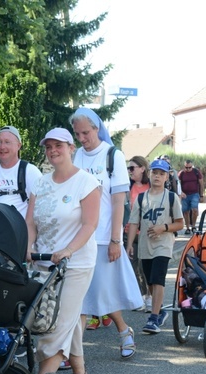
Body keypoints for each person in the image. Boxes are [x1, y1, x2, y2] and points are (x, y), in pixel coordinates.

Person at [26, 128, 100, 374]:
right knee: (66, 317)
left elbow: (90, 224)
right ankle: (79, 372)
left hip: (76, 263)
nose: (53, 150)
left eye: (58, 145)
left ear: (71, 148)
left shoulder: (86, 182)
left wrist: (68, 249)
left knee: (56, 322)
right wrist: (28, 247)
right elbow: (31, 222)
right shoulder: (40, 183)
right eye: (48, 147)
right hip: (43, 263)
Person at [70, 108, 143, 359]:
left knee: (102, 293)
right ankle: (73, 353)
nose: (82, 138)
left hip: (102, 236)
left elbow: (117, 202)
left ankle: (124, 331)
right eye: (77, 133)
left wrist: (116, 240)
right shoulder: (76, 156)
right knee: (77, 297)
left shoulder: (113, 156)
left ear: (97, 128)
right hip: (77, 237)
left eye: (86, 132)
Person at [126, 159, 184, 334]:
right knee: (150, 279)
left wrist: (163, 228)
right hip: (145, 245)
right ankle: (161, 311)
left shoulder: (171, 197)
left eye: (161, 173)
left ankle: (153, 318)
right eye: (154, 173)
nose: (157, 176)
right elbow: (134, 223)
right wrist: (129, 245)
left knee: (158, 278)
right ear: (149, 174)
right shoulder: (142, 198)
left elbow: (180, 224)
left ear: (167, 177)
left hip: (164, 245)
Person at [0, 126, 42, 218]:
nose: (2, 147)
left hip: (20, 231)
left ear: (19, 145)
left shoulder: (30, 171)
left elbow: (41, 207)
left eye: (7, 142)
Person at [126, 156, 151, 312]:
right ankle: (140, 296)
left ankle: (150, 297)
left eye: (132, 168)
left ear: (142, 168)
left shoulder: (151, 186)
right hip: (129, 231)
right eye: (128, 169)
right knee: (132, 266)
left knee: (145, 266)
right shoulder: (127, 186)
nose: (130, 172)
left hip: (147, 231)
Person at [179, 159, 204, 234]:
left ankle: (193, 226)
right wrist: (180, 193)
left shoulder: (196, 172)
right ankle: (187, 228)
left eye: (190, 167)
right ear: (184, 167)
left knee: (195, 210)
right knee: (185, 211)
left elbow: (201, 184)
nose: (188, 169)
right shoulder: (181, 174)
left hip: (194, 194)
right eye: (186, 167)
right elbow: (178, 185)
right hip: (185, 195)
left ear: (192, 166)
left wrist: (201, 195)